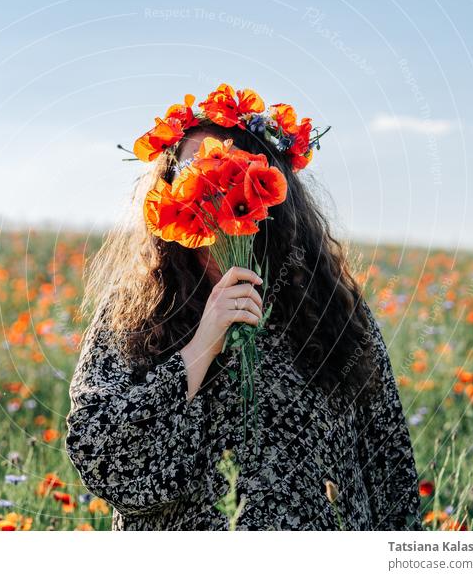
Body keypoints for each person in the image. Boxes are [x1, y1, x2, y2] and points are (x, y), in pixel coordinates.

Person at [65, 85, 421, 530]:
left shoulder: (330, 308)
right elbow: (101, 455)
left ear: (271, 187)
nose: (210, 185)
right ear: (170, 187)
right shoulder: (135, 311)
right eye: (195, 169)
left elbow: (388, 462)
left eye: (229, 168)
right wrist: (202, 344)